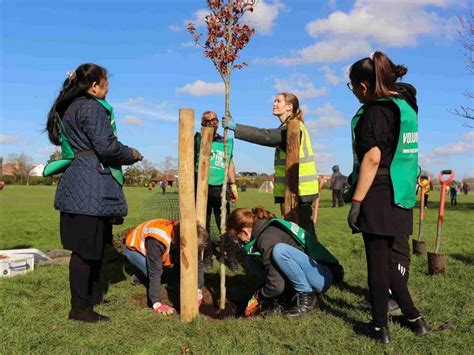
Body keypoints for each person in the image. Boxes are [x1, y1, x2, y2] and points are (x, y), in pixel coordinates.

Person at [44, 64, 143, 323]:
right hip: (90, 187)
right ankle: (79, 308)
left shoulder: (72, 107)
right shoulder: (90, 107)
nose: (108, 86)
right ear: (94, 86)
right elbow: (107, 147)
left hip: (81, 182)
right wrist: (131, 154)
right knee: (85, 251)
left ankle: (92, 296)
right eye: (105, 82)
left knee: (95, 246)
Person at [345, 52, 429, 344]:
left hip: (378, 192)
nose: (353, 92)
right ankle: (415, 320)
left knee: (377, 265)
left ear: (364, 87)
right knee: (391, 264)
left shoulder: (375, 111)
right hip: (402, 191)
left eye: (352, 86)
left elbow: (372, 158)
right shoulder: (404, 105)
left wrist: (356, 202)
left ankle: (380, 327)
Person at [222, 93, 319, 236]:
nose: (274, 103)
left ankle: (315, 259)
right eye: (274, 100)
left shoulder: (293, 127)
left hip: (300, 190)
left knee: (304, 234)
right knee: (297, 232)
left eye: (278, 101)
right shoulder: (288, 126)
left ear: (289, 107)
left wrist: (236, 127)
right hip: (293, 189)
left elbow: (267, 136)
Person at [226, 207, 343, 318]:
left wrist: (259, 296)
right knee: (251, 259)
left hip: (324, 275)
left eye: (237, 237)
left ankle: (308, 299)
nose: (238, 241)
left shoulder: (267, 238)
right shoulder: (263, 229)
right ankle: (284, 300)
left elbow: (277, 285)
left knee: (280, 251)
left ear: (245, 231)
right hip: (314, 273)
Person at [122, 219, 207, 315]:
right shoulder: (157, 240)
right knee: (156, 273)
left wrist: (198, 290)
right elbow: (155, 272)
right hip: (134, 249)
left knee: (179, 261)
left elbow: (198, 263)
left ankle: (172, 283)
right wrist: (156, 303)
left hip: (164, 247)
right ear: (179, 241)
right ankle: (140, 276)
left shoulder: (193, 238)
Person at [195, 111, 239, 271]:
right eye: (206, 121)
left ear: (218, 123)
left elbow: (230, 163)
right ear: (202, 124)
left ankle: (232, 258)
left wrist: (233, 184)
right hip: (202, 189)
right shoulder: (198, 140)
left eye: (213, 120)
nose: (211, 123)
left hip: (221, 189)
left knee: (226, 225)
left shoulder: (226, 142)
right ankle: (207, 257)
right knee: (203, 225)